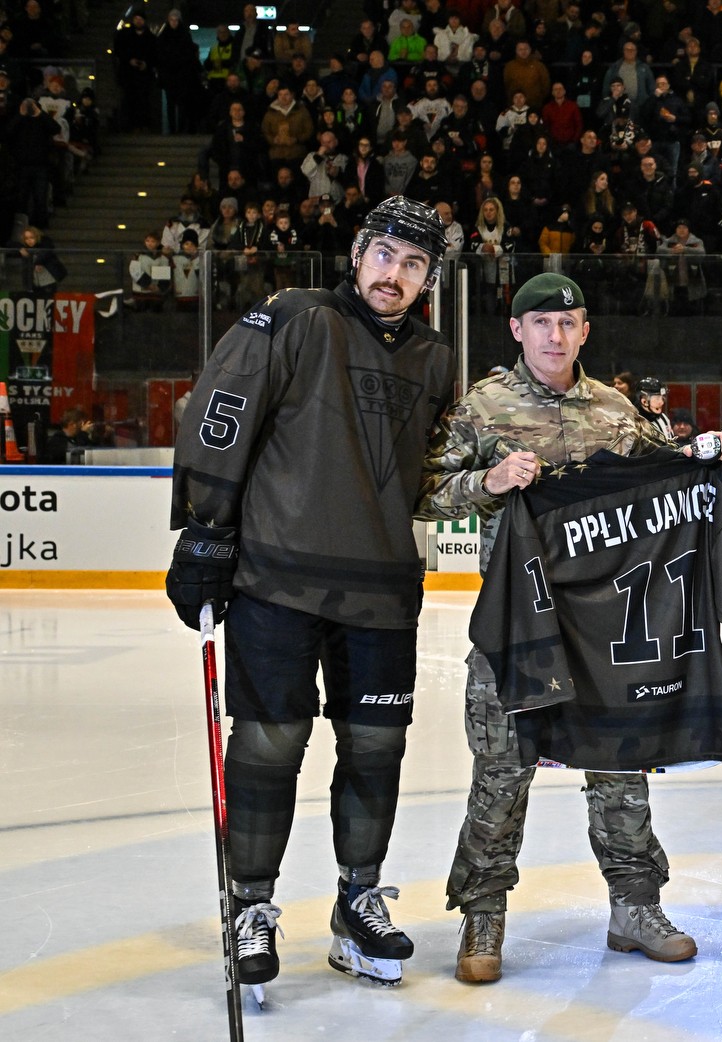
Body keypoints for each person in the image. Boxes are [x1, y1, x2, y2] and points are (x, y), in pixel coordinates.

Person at [164, 196, 455, 991]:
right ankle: (250, 907)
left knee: (376, 746)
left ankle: (358, 901)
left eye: (414, 263)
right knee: (270, 742)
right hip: (277, 579)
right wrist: (205, 529)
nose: (395, 274)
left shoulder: (435, 357)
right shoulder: (293, 318)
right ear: (358, 253)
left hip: (383, 590)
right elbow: (220, 414)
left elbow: (436, 470)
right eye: (385, 254)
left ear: (428, 279)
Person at [415, 273, 706, 983]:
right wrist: (486, 483)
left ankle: (635, 906)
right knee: (500, 774)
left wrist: (707, 460)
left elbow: (662, 485)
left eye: (568, 322)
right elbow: (423, 494)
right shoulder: (481, 408)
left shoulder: (616, 411)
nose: (555, 335)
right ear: (517, 330)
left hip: (606, 629)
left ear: (585, 331)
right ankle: (482, 915)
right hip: (516, 627)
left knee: (621, 768)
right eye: (541, 323)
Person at [634, 375, 674, 440]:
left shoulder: (663, 417)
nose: (662, 402)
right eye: (657, 399)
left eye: (662, 398)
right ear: (644, 401)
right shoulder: (634, 423)